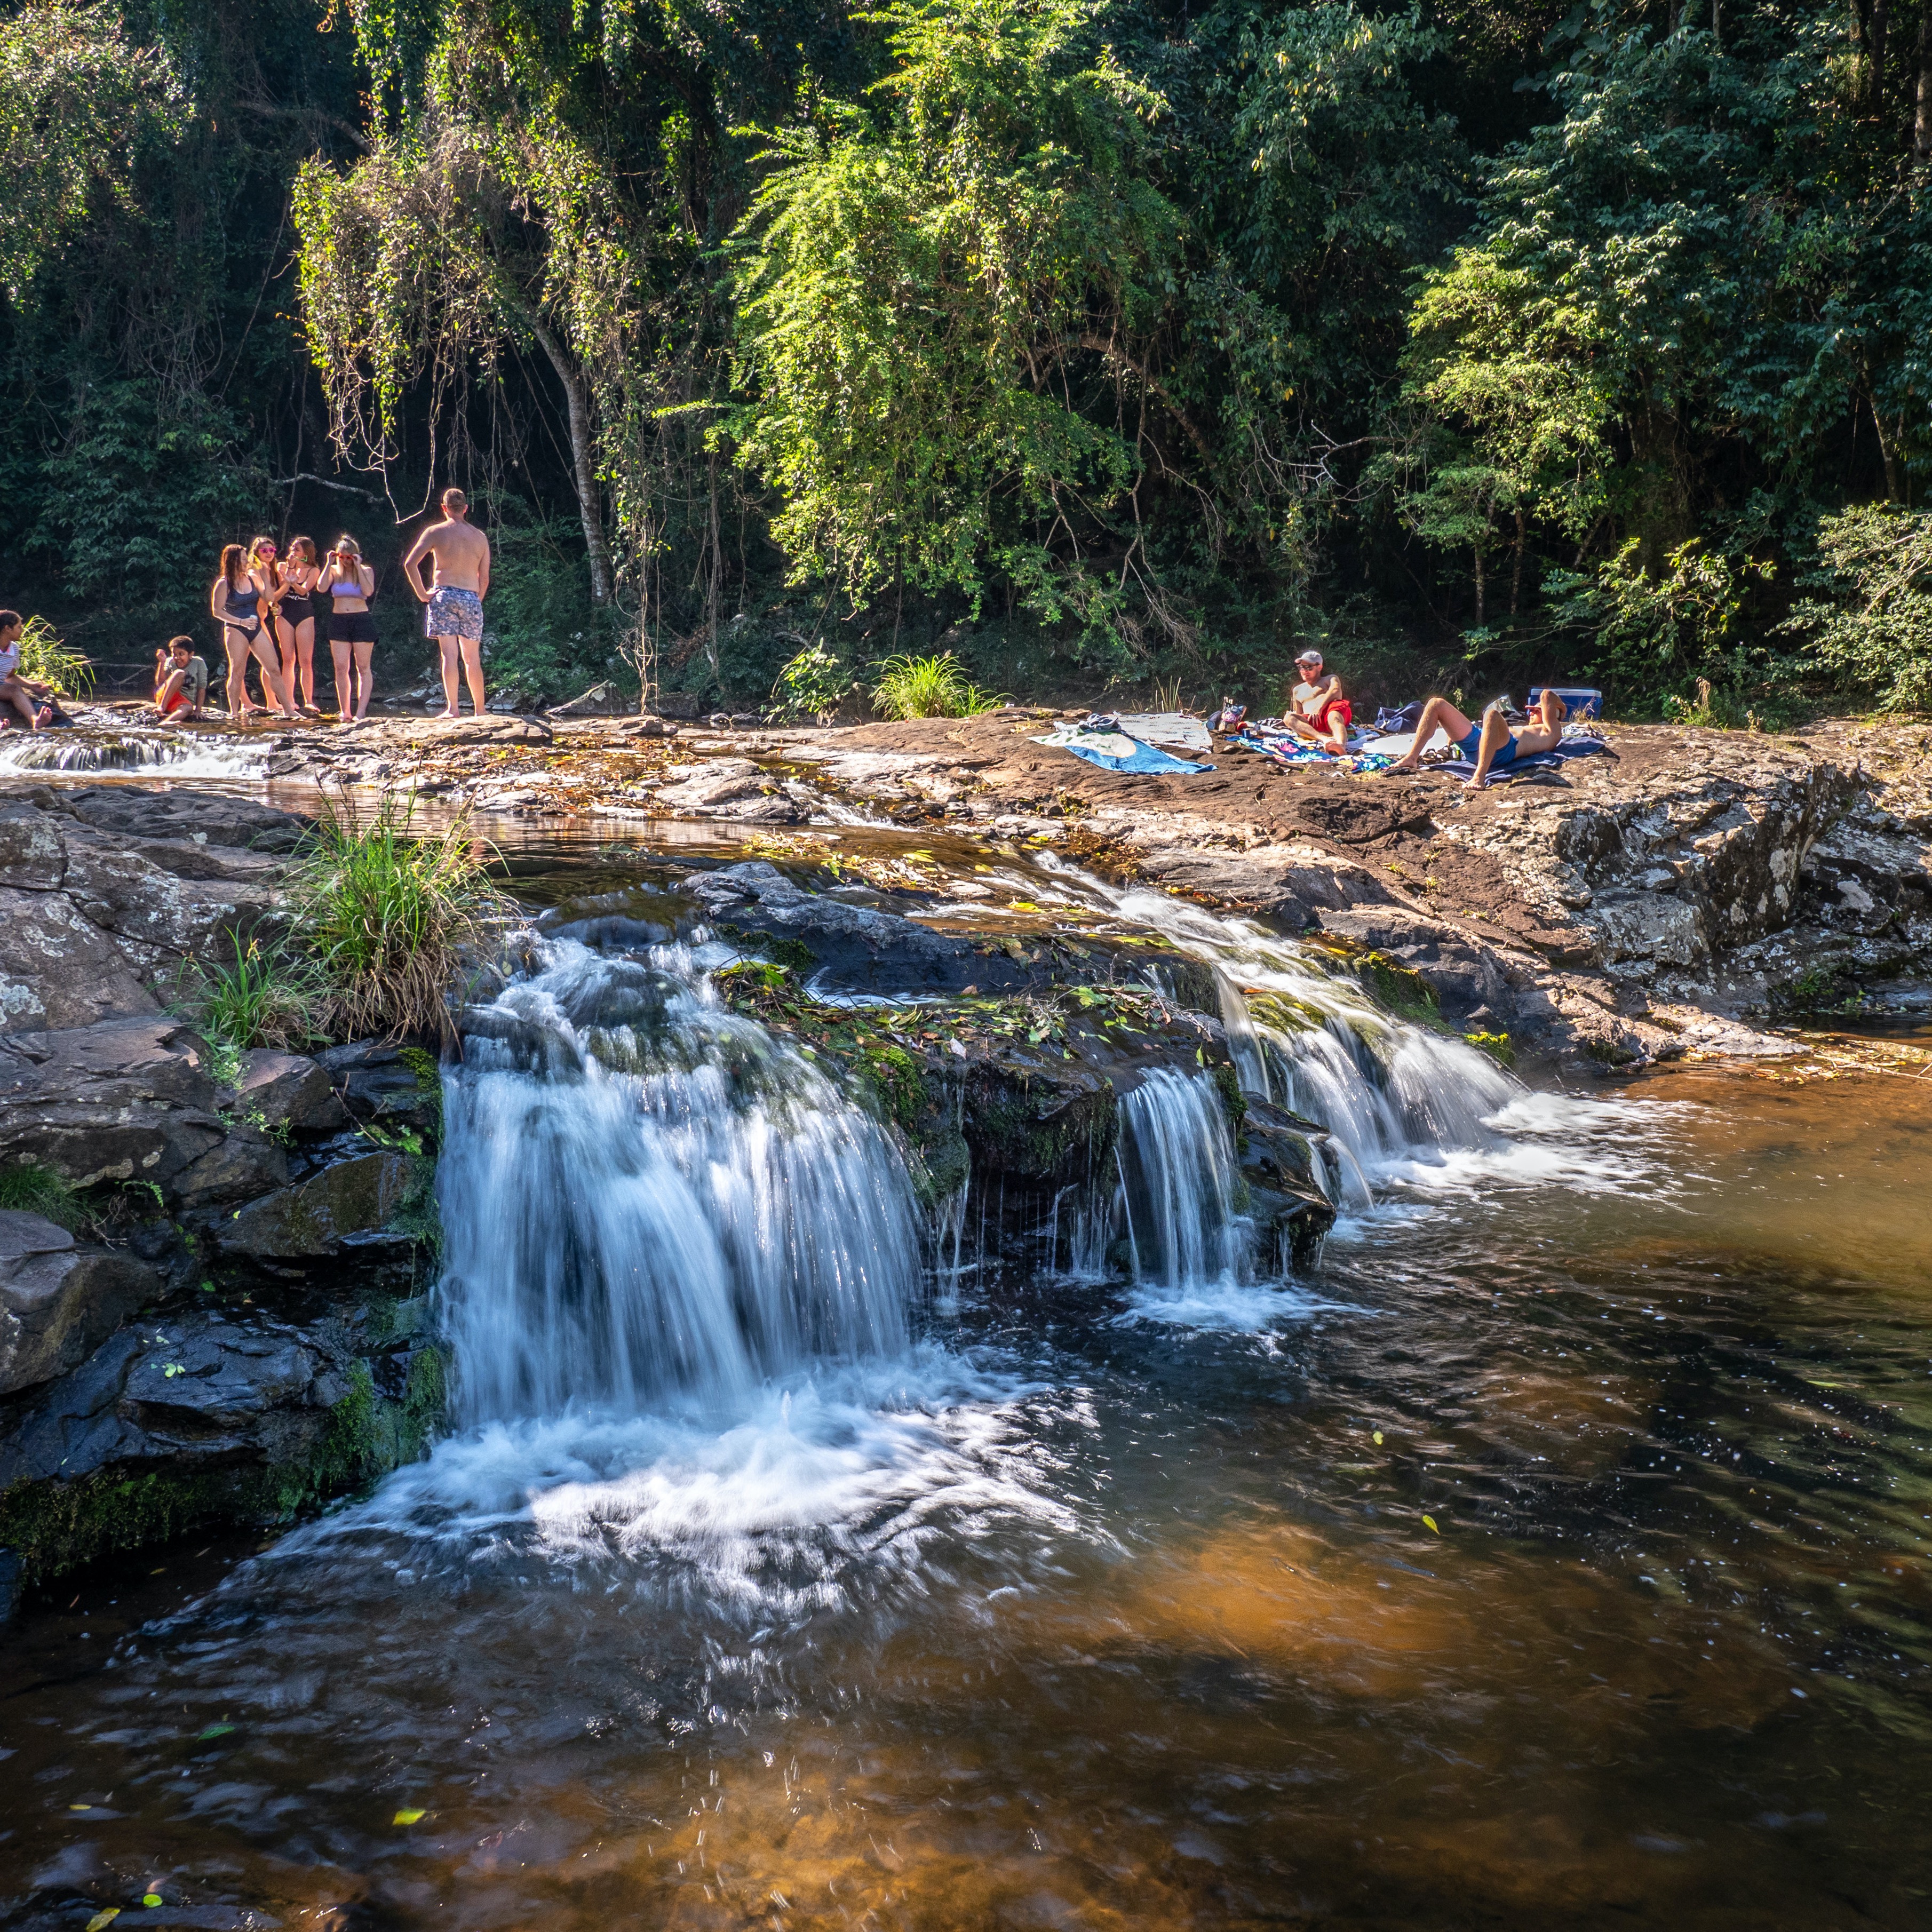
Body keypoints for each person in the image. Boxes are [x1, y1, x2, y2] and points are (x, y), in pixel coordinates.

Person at [401, 487, 490, 719]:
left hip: (444, 595)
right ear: (466, 509)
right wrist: (477, 599)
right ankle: (480, 711)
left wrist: (422, 593)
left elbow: (410, 564)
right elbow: (485, 576)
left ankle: (454, 709)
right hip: (471, 597)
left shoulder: (435, 532)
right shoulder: (480, 537)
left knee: (449, 656)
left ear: (444, 508)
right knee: (472, 658)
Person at [1388, 687, 1568, 786]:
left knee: (1491, 714)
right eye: (1529, 710)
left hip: (1502, 752)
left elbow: (1547, 695)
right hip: (1479, 742)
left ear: (1549, 715)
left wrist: (1562, 709)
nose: (1530, 713)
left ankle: (1479, 777)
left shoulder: (1550, 732)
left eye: (1535, 710)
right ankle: (1412, 758)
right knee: (1436, 704)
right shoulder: (1525, 727)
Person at [210, 542, 298, 721]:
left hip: (255, 627)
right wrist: (240, 621)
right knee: (238, 671)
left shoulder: (251, 578)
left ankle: (288, 710)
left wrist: (266, 575)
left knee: (273, 667)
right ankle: (234, 713)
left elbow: (269, 597)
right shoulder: (224, 583)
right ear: (233, 561)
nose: (246, 563)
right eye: (243, 560)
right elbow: (217, 611)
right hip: (236, 628)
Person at [315, 533, 378, 723]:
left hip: (361, 619)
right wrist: (329, 563)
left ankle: (361, 711)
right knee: (341, 667)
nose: (346, 561)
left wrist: (358, 566)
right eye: (343, 557)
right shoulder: (334, 571)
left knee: (363, 667)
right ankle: (345, 710)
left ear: (356, 556)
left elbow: (368, 592)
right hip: (339, 620)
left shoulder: (366, 571)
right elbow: (321, 587)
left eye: (349, 558)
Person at [275, 535, 323, 714]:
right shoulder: (282, 567)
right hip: (285, 613)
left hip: (304, 614)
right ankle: (289, 700)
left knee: (306, 661)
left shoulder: (313, 570)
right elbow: (278, 592)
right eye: (292, 549)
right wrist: (289, 570)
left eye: (297, 549)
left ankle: (309, 701)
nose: (293, 552)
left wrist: (292, 582)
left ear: (306, 552)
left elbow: (304, 590)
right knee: (288, 659)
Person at [1283, 648, 1353, 753]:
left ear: (1319, 667)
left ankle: (1340, 746)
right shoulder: (1297, 690)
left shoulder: (1330, 679)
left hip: (1333, 713)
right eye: (1302, 667)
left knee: (1333, 715)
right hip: (1314, 721)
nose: (1305, 671)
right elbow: (1300, 715)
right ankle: (1325, 740)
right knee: (1289, 718)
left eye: (1309, 667)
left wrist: (1319, 708)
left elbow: (1336, 691)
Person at [0, 610, 51, 730]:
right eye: (19, 627)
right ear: (8, 628)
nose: (22, 630)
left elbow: (10, 677)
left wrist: (32, 685)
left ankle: (35, 721)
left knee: (15, 690)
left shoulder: (14, 649)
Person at [153, 634, 210, 720]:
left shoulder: (198, 663)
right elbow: (161, 684)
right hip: (166, 698)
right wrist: (162, 663)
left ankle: (165, 723)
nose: (177, 658)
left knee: (188, 709)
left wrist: (198, 711)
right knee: (180, 673)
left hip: (183, 702)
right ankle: (162, 708)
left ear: (191, 654)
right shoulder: (170, 661)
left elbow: (201, 688)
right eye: (174, 654)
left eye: (181, 654)